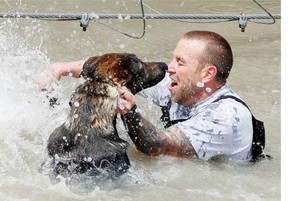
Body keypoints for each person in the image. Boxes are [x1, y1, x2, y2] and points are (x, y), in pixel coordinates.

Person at [39, 31, 261, 162]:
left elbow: (157, 147)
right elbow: (114, 70)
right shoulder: (181, 85)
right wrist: (60, 69)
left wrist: (131, 113)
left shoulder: (226, 117)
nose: (169, 68)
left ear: (208, 73)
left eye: (180, 62)